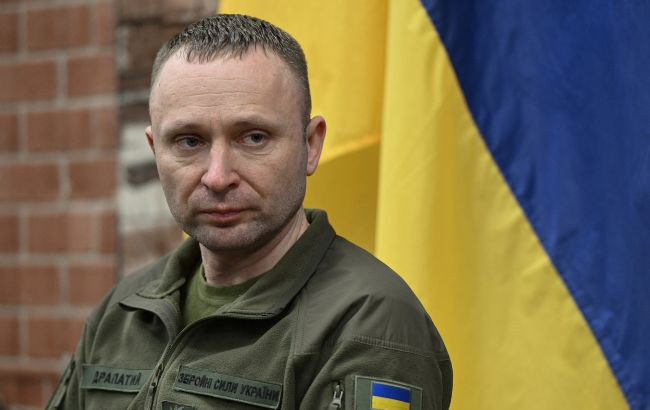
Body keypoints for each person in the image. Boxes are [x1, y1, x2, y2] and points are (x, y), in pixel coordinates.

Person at [47, 14, 452, 410]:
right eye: (189, 141)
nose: (218, 176)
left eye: (254, 137)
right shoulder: (122, 311)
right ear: (156, 151)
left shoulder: (369, 326)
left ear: (311, 145)